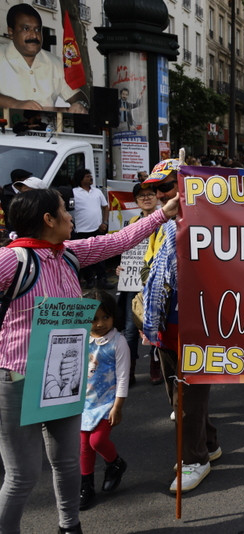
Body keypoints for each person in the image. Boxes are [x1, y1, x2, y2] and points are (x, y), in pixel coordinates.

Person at [0, 187, 178, 534]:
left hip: (64, 378)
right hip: (18, 380)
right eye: (65, 211)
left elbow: (119, 241)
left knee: (67, 463)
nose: (71, 217)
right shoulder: (12, 261)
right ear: (48, 219)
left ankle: (70, 527)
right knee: (22, 476)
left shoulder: (69, 254)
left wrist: (162, 213)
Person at [141, 159, 222, 493]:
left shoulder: (210, 225)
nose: (160, 195)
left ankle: (194, 459)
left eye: (166, 187)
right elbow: (151, 268)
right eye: (155, 189)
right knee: (180, 395)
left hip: (195, 325)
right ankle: (208, 444)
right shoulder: (161, 225)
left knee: (185, 399)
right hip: (165, 325)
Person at [79, 289, 129, 511]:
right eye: (93, 319)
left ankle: (115, 463)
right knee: (83, 446)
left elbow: (123, 376)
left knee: (97, 441)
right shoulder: (81, 339)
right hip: (83, 403)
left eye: (105, 317)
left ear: (113, 316)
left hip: (106, 404)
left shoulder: (118, 342)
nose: (99, 324)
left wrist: (117, 407)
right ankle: (85, 486)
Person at [0, 4, 88, 113]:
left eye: (37, 29)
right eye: (26, 29)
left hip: (49, 128)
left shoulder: (55, 63)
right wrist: (15, 104)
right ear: (11, 32)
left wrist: (80, 104)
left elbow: (77, 95)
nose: (34, 35)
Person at [116, 183, 162, 386]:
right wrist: (120, 267)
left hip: (157, 282)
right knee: (130, 328)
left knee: (156, 325)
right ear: (136, 201)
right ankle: (129, 370)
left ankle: (155, 364)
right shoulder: (132, 222)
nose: (146, 198)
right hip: (133, 283)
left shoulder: (166, 221)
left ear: (157, 197)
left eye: (150, 194)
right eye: (141, 196)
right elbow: (125, 250)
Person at [71, 168, 110, 289]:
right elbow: (70, 210)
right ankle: (89, 280)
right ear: (80, 179)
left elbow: (105, 207)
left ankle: (102, 280)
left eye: (90, 176)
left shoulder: (97, 192)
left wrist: (104, 222)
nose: (90, 178)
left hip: (97, 229)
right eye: (87, 176)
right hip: (81, 231)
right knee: (85, 257)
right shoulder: (73, 193)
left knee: (100, 255)